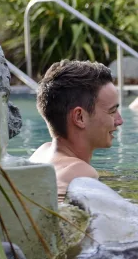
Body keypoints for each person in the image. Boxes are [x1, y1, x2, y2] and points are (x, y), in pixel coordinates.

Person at [30, 60, 123, 200]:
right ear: (79, 117)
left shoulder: (41, 153)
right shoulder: (82, 173)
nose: (120, 120)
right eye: (112, 111)